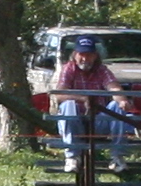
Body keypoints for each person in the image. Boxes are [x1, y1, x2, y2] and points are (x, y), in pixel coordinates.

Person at [51, 35, 128, 171]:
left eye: (89, 55)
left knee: (116, 107)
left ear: (95, 56)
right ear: (75, 55)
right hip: (75, 124)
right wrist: (82, 98)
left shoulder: (102, 70)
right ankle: (72, 157)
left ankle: (117, 157)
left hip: (98, 123)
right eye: (82, 54)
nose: (85, 59)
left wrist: (121, 100)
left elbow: (113, 87)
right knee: (68, 104)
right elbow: (59, 94)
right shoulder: (69, 68)